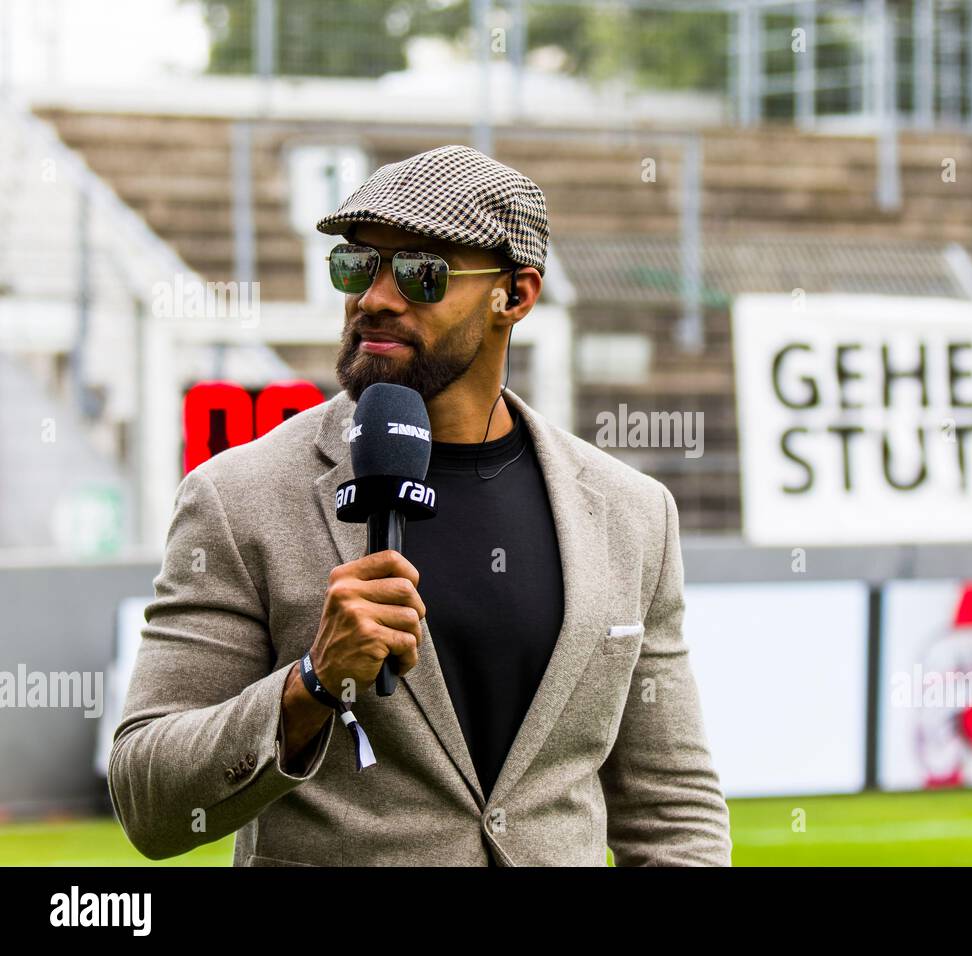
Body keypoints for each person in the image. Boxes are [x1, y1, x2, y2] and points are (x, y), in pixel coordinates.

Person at [109, 145, 732, 867]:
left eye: (420, 272)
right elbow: (150, 801)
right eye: (357, 265)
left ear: (516, 295)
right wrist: (307, 687)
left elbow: (671, 810)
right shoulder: (238, 498)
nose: (375, 296)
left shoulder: (632, 513)